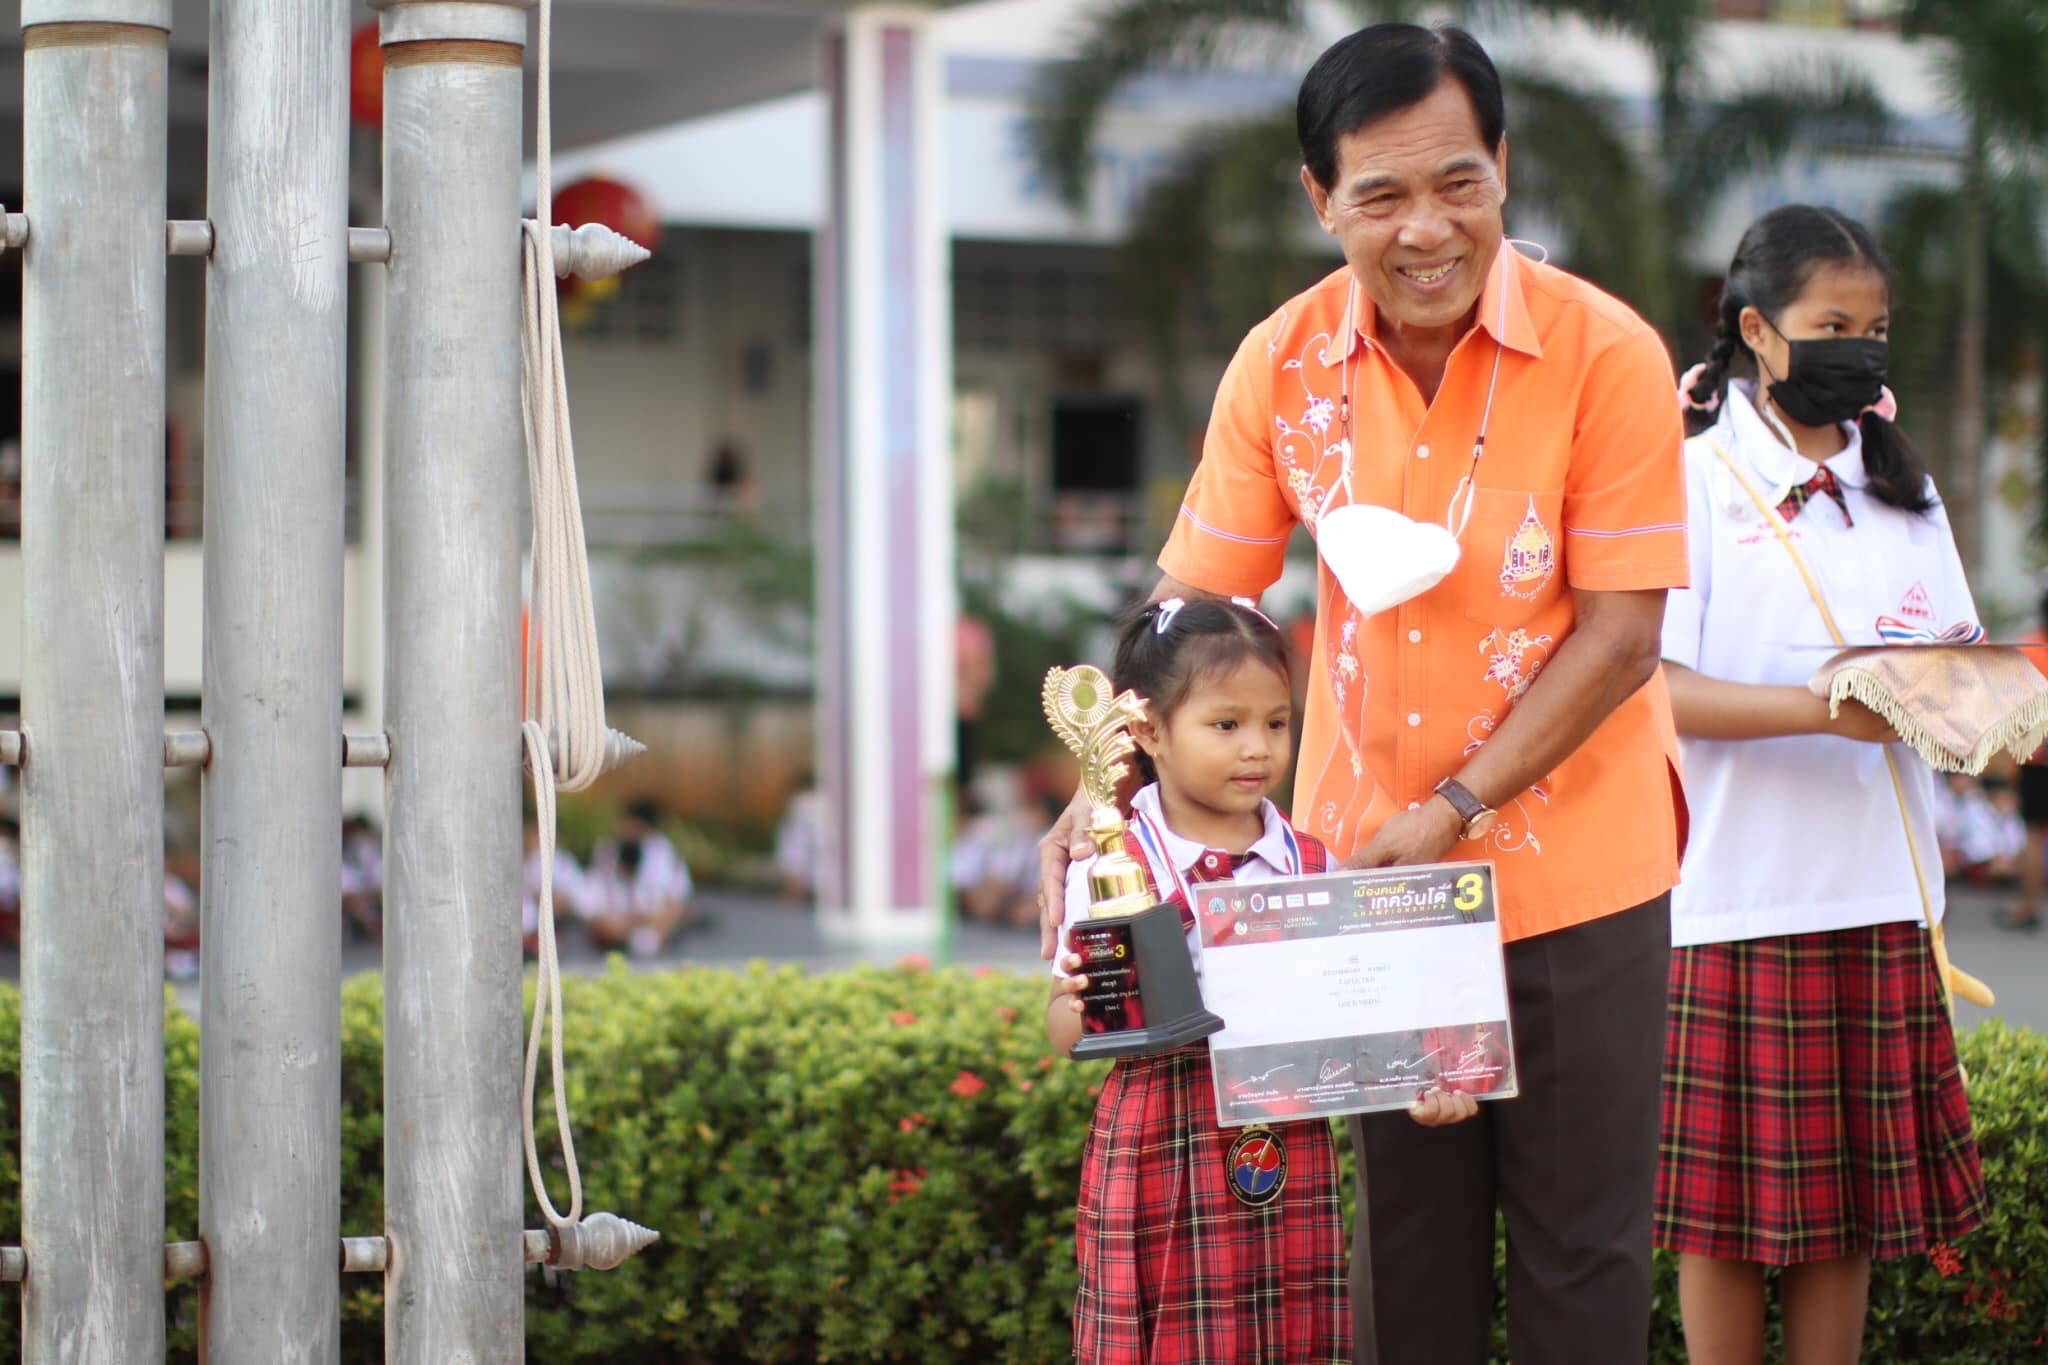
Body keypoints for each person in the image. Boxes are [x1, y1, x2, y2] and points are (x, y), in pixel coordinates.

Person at [1037, 24, 1688, 1364]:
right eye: (1381, 194)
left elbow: (1624, 636)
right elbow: (1186, 609)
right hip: (1362, 883)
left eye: (1459, 183)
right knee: (1404, 1261)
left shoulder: (1605, 352)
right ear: (1319, 197)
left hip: (1577, 870)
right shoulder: (1281, 361)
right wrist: (1102, 785)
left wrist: (1454, 806)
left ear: (1504, 167)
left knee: (1583, 1258)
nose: (1427, 228)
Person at [1660, 204, 1988, 1365]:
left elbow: (1955, 667)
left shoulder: (1905, 489)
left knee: (1844, 1216)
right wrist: (1822, 711)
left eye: (1875, 330)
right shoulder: (1691, 481)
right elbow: (1650, 686)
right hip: (1732, 895)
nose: (1858, 350)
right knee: (1720, 1226)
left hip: (1880, 893)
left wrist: (1988, 715)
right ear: (1755, 329)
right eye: (1830, 326)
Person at [1048, 599, 1476, 1365]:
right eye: (1226, 724)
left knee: (1287, 1339)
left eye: (1276, 722)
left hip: (1286, 1140)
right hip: (1158, 1137)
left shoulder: (1313, 867)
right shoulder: (1111, 864)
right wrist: (1092, 1003)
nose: (1258, 747)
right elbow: (1061, 1025)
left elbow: (1367, 1018)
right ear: (1149, 731)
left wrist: (1424, 1078)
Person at [579, 798, 694, 958]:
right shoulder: (607, 850)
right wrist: (603, 920)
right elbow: (590, 893)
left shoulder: (664, 853)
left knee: (648, 939)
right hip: (613, 920)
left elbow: (677, 897)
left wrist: (655, 923)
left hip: (651, 920)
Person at [2000, 586, 2048, 928]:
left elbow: (2012, 706)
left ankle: (2028, 907)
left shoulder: (2030, 649)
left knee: (2033, 833)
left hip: (2037, 754)